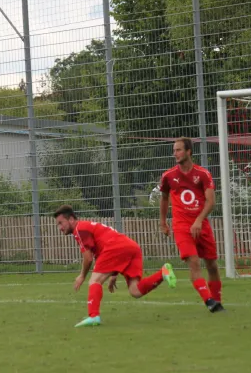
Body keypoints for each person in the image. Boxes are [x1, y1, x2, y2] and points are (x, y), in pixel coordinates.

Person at [54, 205, 177, 328]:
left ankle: (93, 316)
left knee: (94, 281)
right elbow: (102, 251)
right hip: (131, 247)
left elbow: (88, 258)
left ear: (71, 219)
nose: (60, 227)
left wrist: (82, 276)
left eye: (61, 223)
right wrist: (114, 274)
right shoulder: (87, 226)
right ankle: (163, 272)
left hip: (115, 247)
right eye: (57, 225)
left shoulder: (79, 229)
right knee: (136, 291)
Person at [159, 137, 224, 313]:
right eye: (174, 150)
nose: (175, 154)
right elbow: (164, 198)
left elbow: (211, 201)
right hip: (181, 226)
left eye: (179, 150)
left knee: (212, 265)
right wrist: (163, 222)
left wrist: (198, 220)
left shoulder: (203, 174)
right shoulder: (168, 176)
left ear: (189, 151)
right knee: (194, 262)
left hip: (201, 225)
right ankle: (209, 301)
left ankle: (217, 301)